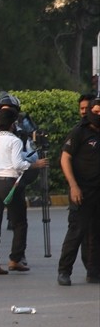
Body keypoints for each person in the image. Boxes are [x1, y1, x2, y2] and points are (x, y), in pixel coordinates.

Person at [0, 108, 49, 275]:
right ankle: (15, 259)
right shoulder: (15, 141)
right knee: (19, 222)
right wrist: (35, 165)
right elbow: (17, 164)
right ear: (12, 124)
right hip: (10, 183)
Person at [58, 95, 99, 285]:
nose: (98, 115)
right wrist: (73, 185)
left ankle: (94, 272)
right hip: (82, 191)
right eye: (96, 112)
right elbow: (65, 158)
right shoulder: (79, 132)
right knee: (76, 232)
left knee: (96, 233)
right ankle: (64, 271)